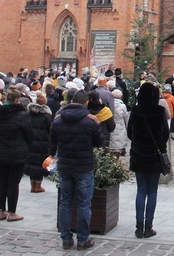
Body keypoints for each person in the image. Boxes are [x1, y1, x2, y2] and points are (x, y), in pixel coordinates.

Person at [50, 89, 104, 251]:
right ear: (86, 103)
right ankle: (82, 239)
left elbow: (52, 144)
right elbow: (99, 143)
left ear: (71, 100)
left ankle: (66, 239)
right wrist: (97, 126)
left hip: (65, 165)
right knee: (83, 203)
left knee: (65, 202)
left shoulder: (58, 121)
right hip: (84, 166)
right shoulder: (90, 122)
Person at [127, 82, 169, 238]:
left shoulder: (136, 111)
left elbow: (129, 133)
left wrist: (139, 142)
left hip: (139, 155)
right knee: (152, 191)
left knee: (141, 190)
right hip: (154, 156)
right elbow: (165, 134)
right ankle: (148, 227)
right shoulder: (159, 111)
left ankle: (138, 227)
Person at [0, 89, 33, 221]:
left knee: (2, 181)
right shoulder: (22, 115)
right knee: (14, 183)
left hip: (1, 150)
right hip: (17, 151)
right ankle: (12, 212)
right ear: (17, 100)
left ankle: (1, 210)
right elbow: (29, 134)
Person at [25, 92, 53, 193]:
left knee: (32, 162)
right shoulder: (46, 116)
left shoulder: (29, 114)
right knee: (40, 164)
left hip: (30, 141)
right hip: (42, 143)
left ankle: (32, 184)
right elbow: (51, 130)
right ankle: (38, 185)